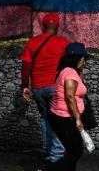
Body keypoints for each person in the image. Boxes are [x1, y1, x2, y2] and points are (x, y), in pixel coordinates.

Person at [36, 42, 90, 171]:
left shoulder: (68, 71)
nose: (85, 61)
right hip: (65, 119)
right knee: (76, 151)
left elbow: (79, 87)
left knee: (72, 151)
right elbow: (70, 97)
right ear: (75, 58)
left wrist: (81, 70)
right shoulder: (70, 73)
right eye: (83, 58)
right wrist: (78, 119)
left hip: (61, 118)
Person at [21, 13, 70, 163]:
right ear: (57, 27)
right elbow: (67, 66)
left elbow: (26, 66)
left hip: (37, 87)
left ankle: (49, 150)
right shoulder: (63, 43)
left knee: (44, 118)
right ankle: (57, 155)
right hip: (54, 87)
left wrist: (24, 85)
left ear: (43, 26)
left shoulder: (32, 42)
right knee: (57, 119)